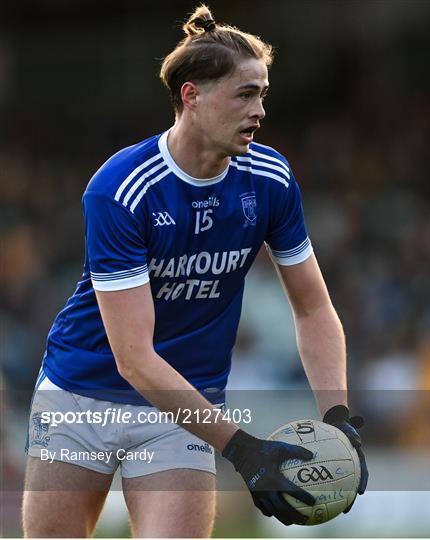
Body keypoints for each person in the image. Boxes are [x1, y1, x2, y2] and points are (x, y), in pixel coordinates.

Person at [23, 5, 368, 537]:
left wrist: (339, 418)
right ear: (192, 96)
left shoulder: (271, 180)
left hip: (183, 408)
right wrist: (243, 449)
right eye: (245, 94)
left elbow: (313, 305)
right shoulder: (121, 189)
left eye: (263, 94)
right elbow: (134, 359)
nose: (259, 111)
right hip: (81, 395)